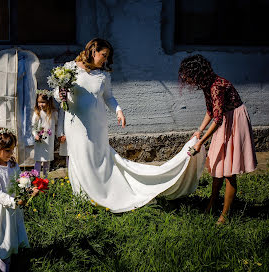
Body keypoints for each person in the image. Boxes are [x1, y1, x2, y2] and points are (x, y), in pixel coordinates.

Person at [55, 38, 205, 212]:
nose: (105, 59)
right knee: (80, 157)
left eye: (107, 56)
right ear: (93, 50)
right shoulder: (69, 68)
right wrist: (61, 95)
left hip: (97, 125)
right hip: (76, 125)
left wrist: (118, 110)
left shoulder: (103, 75)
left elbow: (108, 97)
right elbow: (57, 94)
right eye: (103, 55)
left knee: (98, 159)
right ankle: (83, 196)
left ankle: (102, 193)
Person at [179, 54, 257, 224]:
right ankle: (212, 204)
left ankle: (224, 215)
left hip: (235, 120)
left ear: (197, 73)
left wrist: (201, 142)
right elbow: (210, 110)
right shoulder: (206, 84)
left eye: (188, 74)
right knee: (217, 165)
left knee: (229, 170)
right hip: (223, 119)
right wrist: (199, 131)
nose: (185, 78)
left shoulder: (216, 86)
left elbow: (218, 118)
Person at [0, 128, 32, 272]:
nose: (10, 154)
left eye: (12, 150)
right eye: (7, 150)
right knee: (4, 236)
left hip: (15, 207)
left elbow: (19, 180)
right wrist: (12, 201)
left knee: (13, 233)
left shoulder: (12, 164)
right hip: (1, 208)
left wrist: (27, 189)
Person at [32, 90, 58, 177]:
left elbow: (57, 125)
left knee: (47, 160)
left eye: (43, 102)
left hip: (49, 141)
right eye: (39, 102)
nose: (41, 104)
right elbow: (33, 127)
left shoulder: (53, 113)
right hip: (39, 141)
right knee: (38, 159)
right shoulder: (37, 113)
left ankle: (46, 177)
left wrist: (58, 135)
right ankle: (36, 177)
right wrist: (35, 135)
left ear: (48, 102)